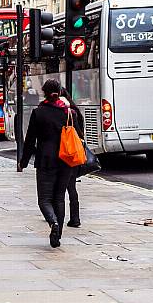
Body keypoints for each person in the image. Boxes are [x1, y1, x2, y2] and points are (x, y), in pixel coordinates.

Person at [20, 79, 83, 248]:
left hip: (45, 160)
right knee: (59, 198)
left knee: (44, 200)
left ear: (43, 92)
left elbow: (30, 140)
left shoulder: (39, 112)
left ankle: (53, 223)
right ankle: (58, 234)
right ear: (60, 92)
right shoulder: (69, 113)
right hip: (66, 160)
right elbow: (78, 134)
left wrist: (23, 162)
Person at [60, 87, 85, 228]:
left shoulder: (62, 113)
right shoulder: (76, 112)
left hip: (63, 153)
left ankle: (55, 215)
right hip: (74, 152)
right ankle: (75, 218)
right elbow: (81, 133)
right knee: (72, 187)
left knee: (59, 188)